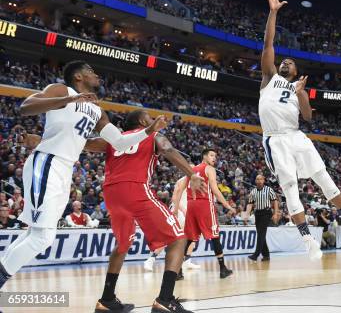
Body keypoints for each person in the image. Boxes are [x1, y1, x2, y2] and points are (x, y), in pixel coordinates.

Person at [0, 61, 166, 300]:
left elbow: (118, 142)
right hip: (47, 162)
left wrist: (149, 131)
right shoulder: (61, 90)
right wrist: (69, 100)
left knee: (36, 235)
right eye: (91, 71)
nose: (96, 74)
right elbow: (26, 107)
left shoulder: (98, 111)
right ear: (78, 77)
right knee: (42, 237)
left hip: (65, 170)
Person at [258, 0, 341, 260]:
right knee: (290, 187)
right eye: (283, 61)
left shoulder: (300, 90)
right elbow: (268, 43)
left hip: (296, 136)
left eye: (290, 63)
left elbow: (308, 117)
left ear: (296, 72)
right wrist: (273, 12)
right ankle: (307, 239)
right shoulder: (269, 77)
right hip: (275, 138)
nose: (285, 62)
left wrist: (300, 94)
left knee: (322, 175)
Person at [83, 109, 204, 313]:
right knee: (178, 238)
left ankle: (106, 300)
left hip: (111, 193)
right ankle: (165, 300)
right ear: (141, 121)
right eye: (148, 117)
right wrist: (191, 173)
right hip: (135, 188)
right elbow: (169, 150)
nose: (152, 119)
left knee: (122, 244)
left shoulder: (116, 139)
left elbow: (87, 144)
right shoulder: (153, 134)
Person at [172, 149, 236, 279]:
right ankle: (223, 269)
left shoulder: (191, 170)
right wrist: (227, 205)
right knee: (214, 236)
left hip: (191, 205)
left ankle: (178, 271)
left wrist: (175, 208)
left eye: (215, 156)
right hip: (204, 205)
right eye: (212, 155)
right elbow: (215, 189)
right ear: (204, 156)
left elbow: (179, 189)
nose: (214, 158)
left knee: (189, 239)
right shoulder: (209, 169)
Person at [245, 174, 279, 261]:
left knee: (261, 233)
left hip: (266, 212)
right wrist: (247, 214)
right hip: (257, 213)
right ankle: (266, 255)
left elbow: (275, 202)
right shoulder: (253, 191)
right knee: (261, 234)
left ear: (264, 180)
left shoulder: (269, 190)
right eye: (257, 179)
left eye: (261, 179)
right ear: (255, 181)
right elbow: (250, 203)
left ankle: (256, 254)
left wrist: (275, 213)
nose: (259, 181)